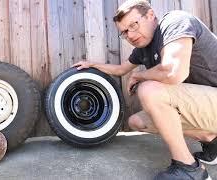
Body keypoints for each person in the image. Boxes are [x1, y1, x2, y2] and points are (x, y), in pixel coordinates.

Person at [73, 0, 217, 179]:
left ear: (150, 15)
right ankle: (210, 138)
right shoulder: (143, 49)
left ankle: (189, 169)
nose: (130, 35)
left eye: (133, 25)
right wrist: (91, 64)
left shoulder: (175, 22)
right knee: (137, 122)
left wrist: (139, 76)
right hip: (206, 106)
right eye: (124, 32)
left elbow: (173, 72)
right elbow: (120, 69)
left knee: (149, 89)